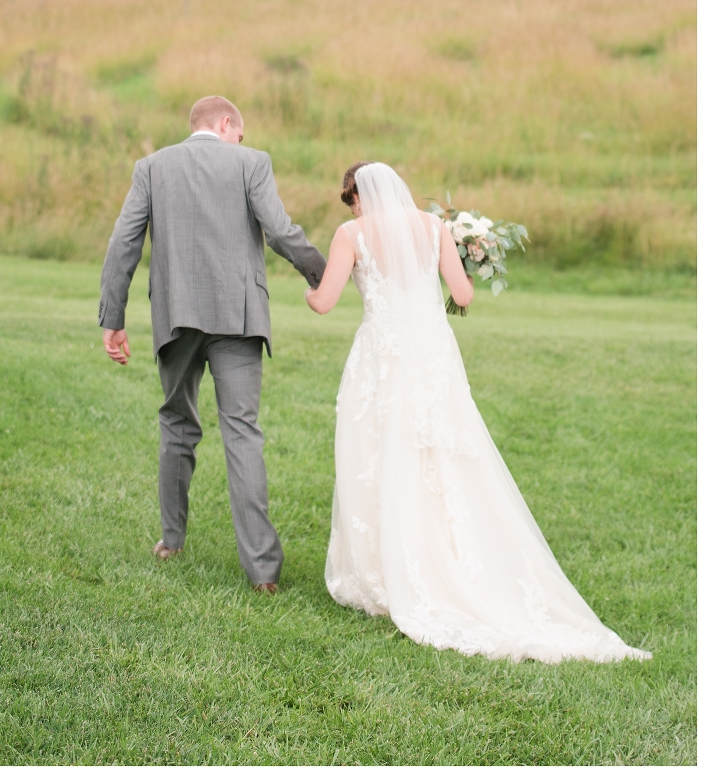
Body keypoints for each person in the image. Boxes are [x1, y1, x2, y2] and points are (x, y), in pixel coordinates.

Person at [305, 161, 651, 663]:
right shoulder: (434, 226)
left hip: (383, 359)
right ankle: (452, 560)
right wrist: (464, 254)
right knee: (445, 456)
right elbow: (462, 295)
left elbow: (325, 302)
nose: (353, 207)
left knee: (384, 454)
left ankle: (393, 572)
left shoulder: (350, 233)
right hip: (434, 358)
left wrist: (309, 291)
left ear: (357, 196)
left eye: (350, 199)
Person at [99, 95, 326, 593]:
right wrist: (323, 274)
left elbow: (124, 243)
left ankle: (172, 539)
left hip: (175, 315)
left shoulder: (151, 167)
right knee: (241, 431)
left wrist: (112, 317)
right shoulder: (252, 162)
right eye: (238, 133)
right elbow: (281, 232)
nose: (240, 142)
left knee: (177, 424)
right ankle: (263, 573)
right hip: (238, 318)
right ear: (226, 123)